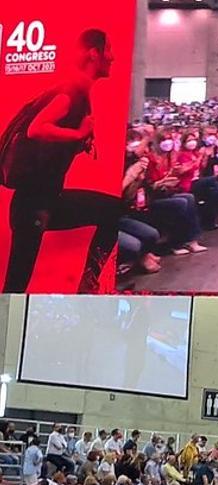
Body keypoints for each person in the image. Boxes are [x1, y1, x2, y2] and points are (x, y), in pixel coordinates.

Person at [0, 29, 122, 293]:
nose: (112, 58)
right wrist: (78, 134)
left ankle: (87, 287)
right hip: (33, 206)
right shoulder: (72, 90)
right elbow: (36, 128)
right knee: (14, 289)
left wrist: (77, 143)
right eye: (108, 50)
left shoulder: (79, 90)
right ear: (94, 53)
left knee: (113, 209)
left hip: (46, 201)